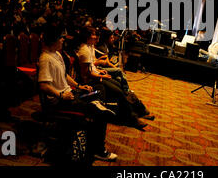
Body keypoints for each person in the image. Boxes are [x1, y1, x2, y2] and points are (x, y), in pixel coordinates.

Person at [38, 23, 118, 162]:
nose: (63, 40)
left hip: (69, 94)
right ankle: (98, 150)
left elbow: (64, 75)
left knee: (98, 89)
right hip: (58, 101)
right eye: (61, 37)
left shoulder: (56, 54)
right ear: (53, 39)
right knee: (100, 115)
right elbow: (43, 85)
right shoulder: (45, 58)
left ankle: (98, 104)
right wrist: (60, 94)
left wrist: (79, 86)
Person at [76, 26, 148, 130]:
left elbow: (92, 66)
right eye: (93, 35)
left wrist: (100, 71)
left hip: (97, 76)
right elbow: (86, 73)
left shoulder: (89, 47)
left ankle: (133, 112)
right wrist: (101, 75)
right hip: (92, 81)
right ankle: (133, 119)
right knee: (118, 92)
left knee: (120, 87)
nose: (96, 37)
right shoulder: (84, 50)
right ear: (87, 36)